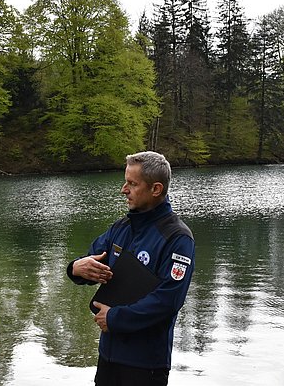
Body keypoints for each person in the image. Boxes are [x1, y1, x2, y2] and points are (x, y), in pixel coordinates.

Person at [67, 151, 195, 386]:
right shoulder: (122, 227)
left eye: (132, 184)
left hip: (145, 364)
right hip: (108, 356)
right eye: (125, 181)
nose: (123, 189)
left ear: (156, 189)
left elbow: (168, 300)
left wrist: (115, 318)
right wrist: (76, 268)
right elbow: (92, 260)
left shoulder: (177, 238)